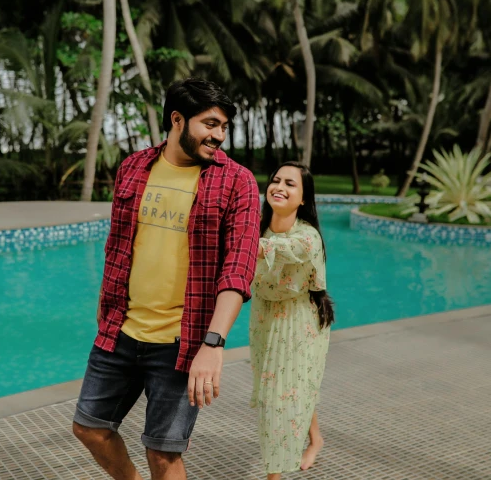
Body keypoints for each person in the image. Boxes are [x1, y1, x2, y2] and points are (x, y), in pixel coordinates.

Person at [72, 77, 261, 480]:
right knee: (88, 427)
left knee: (163, 454)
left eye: (224, 127)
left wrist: (213, 344)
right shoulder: (134, 167)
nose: (219, 135)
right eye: (210, 124)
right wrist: (106, 314)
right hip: (120, 333)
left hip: (184, 341)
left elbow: (238, 268)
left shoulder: (237, 182)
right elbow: (118, 249)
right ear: (178, 120)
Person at [249, 161, 335, 478]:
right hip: (264, 316)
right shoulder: (257, 227)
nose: (280, 187)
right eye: (276, 180)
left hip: (298, 320)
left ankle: (276, 474)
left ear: (303, 199)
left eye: (291, 184)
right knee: (291, 387)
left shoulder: (307, 237)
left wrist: (233, 240)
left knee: (280, 399)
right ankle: (316, 438)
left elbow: (273, 249)